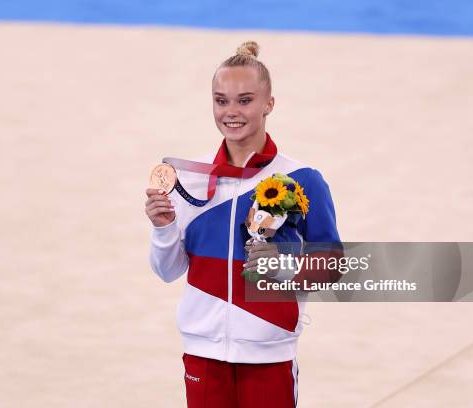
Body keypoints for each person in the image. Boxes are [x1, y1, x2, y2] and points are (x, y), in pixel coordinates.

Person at [145, 41, 341, 408]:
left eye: (245, 100)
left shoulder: (302, 179)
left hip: (269, 353)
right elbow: (168, 271)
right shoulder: (189, 179)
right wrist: (163, 229)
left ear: (269, 104)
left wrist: (282, 269)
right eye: (221, 101)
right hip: (202, 351)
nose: (231, 112)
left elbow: (331, 265)